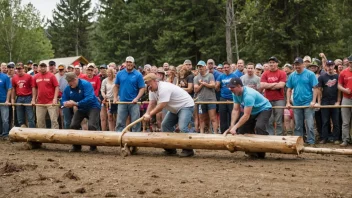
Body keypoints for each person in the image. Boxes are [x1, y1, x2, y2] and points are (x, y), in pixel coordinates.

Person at [143, 73, 195, 157]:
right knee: (165, 125)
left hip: (186, 105)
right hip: (174, 108)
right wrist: (147, 113)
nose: (147, 86)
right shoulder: (151, 89)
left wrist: (150, 114)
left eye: (147, 83)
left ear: (153, 81)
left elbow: (161, 105)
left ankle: (188, 149)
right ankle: (170, 149)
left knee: (182, 127)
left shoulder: (164, 88)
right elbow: (152, 103)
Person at [224, 77, 272, 158]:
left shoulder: (248, 95)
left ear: (239, 86)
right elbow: (235, 110)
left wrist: (235, 127)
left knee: (259, 127)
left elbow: (246, 115)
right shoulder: (235, 93)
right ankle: (251, 151)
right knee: (242, 130)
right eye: (229, 87)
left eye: (232, 87)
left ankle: (261, 152)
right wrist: (232, 125)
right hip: (253, 111)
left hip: (264, 109)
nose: (230, 89)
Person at [62, 72, 101, 152]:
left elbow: (89, 98)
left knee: (91, 125)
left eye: (70, 81)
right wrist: (65, 103)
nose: (69, 84)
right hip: (81, 108)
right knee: (73, 125)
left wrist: (76, 103)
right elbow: (63, 98)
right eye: (68, 82)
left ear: (75, 79)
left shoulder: (86, 84)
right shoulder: (68, 88)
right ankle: (76, 147)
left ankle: (93, 147)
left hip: (93, 107)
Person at [286, 57, 318, 146]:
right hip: (296, 103)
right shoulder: (292, 75)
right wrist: (288, 102)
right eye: (295, 65)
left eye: (299, 64)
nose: (297, 66)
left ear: (303, 64)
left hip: (308, 103)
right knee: (298, 124)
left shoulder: (310, 74)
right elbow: (289, 89)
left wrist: (313, 101)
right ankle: (298, 140)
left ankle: (311, 141)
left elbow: (315, 88)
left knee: (310, 124)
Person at [113, 56, 145, 132]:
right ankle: (119, 140)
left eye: (130, 62)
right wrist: (115, 97)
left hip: (134, 102)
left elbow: (142, 88)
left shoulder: (138, 75)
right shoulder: (120, 74)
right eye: (127, 62)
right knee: (120, 123)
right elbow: (116, 86)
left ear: (133, 64)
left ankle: (135, 141)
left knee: (135, 123)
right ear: (125, 63)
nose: (129, 64)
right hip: (122, 102)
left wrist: (137, 98)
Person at [260, 56, 287, 136]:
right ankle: (270, 136)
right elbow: (262, 85)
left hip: (279, 99)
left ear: (277, 63)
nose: (271, 64)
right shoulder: (265, 73)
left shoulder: (282, 73)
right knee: (269, 120)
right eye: (270, 62)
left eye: (273, 62)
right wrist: (275, 84)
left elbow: (281, 85)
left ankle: (279, 136)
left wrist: (268, 85)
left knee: (279, 120)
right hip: (267, 100)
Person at [318, 60, 340, 144]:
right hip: (325, 101)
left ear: (334, 66)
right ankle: (324, 138)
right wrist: (319, 102)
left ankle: (336, 138)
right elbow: (319, 90)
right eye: (328, 65)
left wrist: (338, 101)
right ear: (326, 66)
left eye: (331, 65)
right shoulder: (322, 77)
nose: (330, 67)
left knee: (336, 121)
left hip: (334, 101)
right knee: (325, 121)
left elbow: (339, 90)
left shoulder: (338, 76)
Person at [32, 63, 60, 129]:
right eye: (41, 66)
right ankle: (42, 137)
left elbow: (56, 86)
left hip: (51, 102)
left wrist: (55, 98)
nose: (43, 68)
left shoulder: (51, 75)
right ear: (39, 67)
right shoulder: (35, 76)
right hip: (40, 102)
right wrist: (33, 99)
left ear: (46, 67)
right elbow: (34, 88)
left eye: (44, 66)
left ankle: (56, 136)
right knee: (39, 121)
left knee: (54, 120)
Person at [194, 60, 218, 134]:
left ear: (205, 67)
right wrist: (201, 84)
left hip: (211, 100)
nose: (200, 68)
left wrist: (204, 83)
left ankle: (216, 133)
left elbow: (213, 85)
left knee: (213, 118)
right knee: (201, 119)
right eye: (198, 67)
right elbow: (196, 90)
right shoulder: (196, 78)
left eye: (201, 66)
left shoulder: (210, 75)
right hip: (201, 100)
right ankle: (201, 133)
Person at [216, 62, 238, 133]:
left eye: (227, 67)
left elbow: (238, 86)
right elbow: (216, 87)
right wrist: (217, 85)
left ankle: (232, 131)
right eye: (224, 67)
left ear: (230, 68)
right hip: (223, 98)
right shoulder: (221, 76)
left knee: (232, 116)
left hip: (232, 98)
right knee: (222, 116)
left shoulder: (234, 76)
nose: (226, 69)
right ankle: (223, 132)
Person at [11, 63, 35, 128]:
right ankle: (22, 133)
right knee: (20, 118)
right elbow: (13, 89)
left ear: (23, 69)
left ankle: (32, 133)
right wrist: (12, 99)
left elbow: (33, 88)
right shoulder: (14, 77)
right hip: (19, 98)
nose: (19, 70)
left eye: (20, 68)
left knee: (30, 117)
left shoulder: (29, 76)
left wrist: (33, 99)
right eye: (18, 69)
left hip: (28, 97)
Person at [338, 56, 352, 147]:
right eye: (351, 62)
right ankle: (345, 139)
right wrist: (344, 90)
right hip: (346, 98)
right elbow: (339, 85)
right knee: (345, 121)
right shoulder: (343, 72)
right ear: (349, 63)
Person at [0, 68, 11, 140]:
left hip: (3, 101)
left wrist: (7, 100)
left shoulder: (5, 77)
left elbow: (9, 89)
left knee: (5, 119)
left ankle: (5, 134)